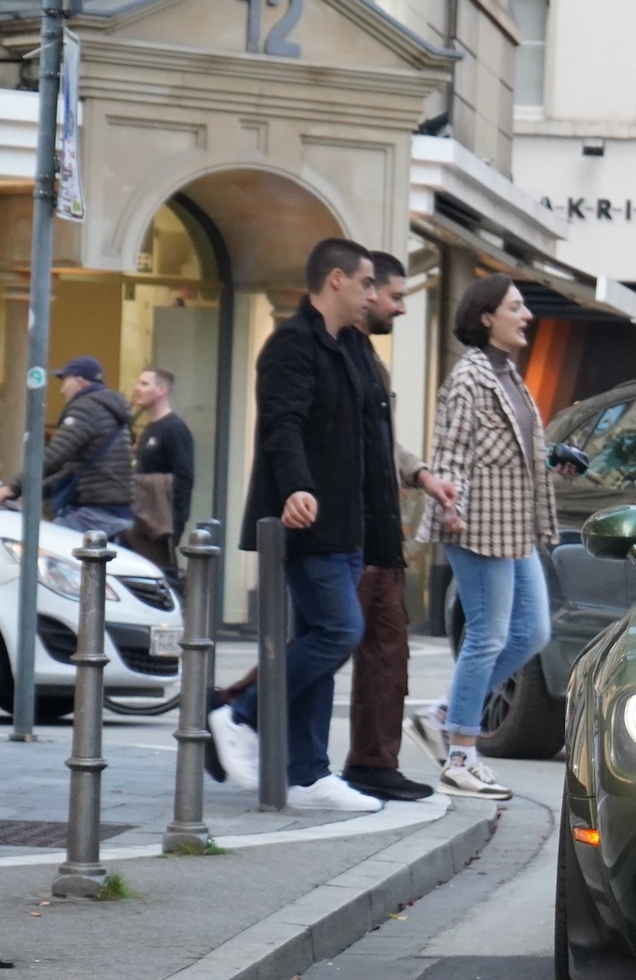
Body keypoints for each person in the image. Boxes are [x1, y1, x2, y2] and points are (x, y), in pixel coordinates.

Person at [207, 239, 390, 814]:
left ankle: (308, 774)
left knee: (324, 642)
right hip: (308, 522)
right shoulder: (293, 343)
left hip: (353, 525)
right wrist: (296, 487)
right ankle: (239, 715)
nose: (373, 295)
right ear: (335, 280)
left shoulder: (355, 347)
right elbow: (281, 425)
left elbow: (369, 439)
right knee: (339, 632)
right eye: (366, 283)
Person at [411, 274, 564, 800]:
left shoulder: (510, 377)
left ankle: (447, 713)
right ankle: (461, 755)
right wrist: (453, 507)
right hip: (477, 527)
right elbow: (451, 450)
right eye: (515, 307)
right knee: (488, 636)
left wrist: (551, 463)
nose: (525, 316)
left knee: (533, 632)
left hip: (515, 527)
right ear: (486, 318)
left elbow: (512, 451)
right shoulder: (470, 377)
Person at [341, 251, 460, 802]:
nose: (399, 308)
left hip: (382, 533)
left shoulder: (369, 358)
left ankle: (373, 764)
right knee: (327, 642)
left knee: (389, 654)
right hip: (351, 532)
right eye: (393, 296)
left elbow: (384, 445)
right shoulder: (333, 351)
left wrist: (420, 473)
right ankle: (239, 711)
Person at [0, 357, 135, 536]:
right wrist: (32, 490)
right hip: (115, 510)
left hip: (94, 513)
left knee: (44, 545)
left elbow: (54, 455)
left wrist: (13, 487)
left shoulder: (87, 408)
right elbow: (71, 471)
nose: (61, 390)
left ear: (79, 381)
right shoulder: (109, 410)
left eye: (65, 381)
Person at [127, 366, 194, 574]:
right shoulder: (149, 429)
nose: (137, 389)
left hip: (161, 527)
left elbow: (184, 479)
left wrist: (175, 525)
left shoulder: (174, 429)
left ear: (161, 390)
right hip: (142, 522)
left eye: (144, 384)